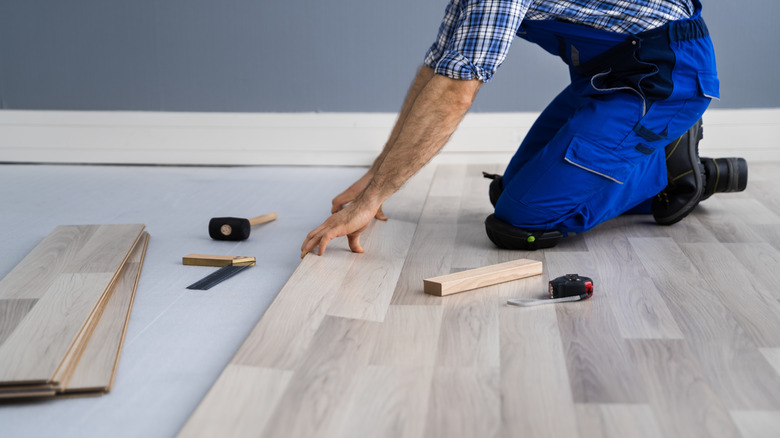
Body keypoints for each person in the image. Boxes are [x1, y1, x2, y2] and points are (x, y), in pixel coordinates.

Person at [301, 0, 746, 257]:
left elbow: (457, 89)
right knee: (508, 194)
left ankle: (674, 169)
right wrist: (376, 177)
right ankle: (655, 152)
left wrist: (375, 197)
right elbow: (438, 68)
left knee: (522, 221)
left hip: (663, 79)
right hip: (608, 78)